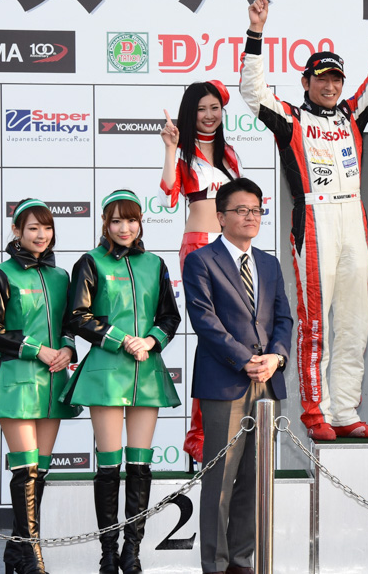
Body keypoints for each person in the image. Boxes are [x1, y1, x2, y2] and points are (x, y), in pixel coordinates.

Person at [240, 0, 368, 440]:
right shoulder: (290, 118)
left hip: (352, 222)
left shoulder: (350, 116)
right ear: (306, 82)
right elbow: (252, 91)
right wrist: (256, 32)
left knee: (356, 322)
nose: (330, 86)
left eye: (336, 79)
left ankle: (345, 410)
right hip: (314, 221)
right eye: (321, 79)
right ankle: (315, 410)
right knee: (316, 321)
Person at [62, 190, 182, 574]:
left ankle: (133, 550)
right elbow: (77, 315)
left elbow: (170, 317)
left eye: (131, 220)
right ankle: (108, 553)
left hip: (146, 373)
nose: (124, 228)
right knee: (109, 466)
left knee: (140, 465)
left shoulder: (155, 264)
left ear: (140, 222)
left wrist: (150, 340)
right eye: (116, 221)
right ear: (105, 224)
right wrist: (121, 338)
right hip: (106, 373)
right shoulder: (90, 262)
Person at [183, 178, 292, 574]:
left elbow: (284, 319)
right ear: (221, 216)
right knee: (220, 481)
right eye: (242, 210)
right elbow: (205, 320)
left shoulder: (269, 263)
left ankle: (242, 562)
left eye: (256, 210)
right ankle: (215, 565)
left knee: (255, 478)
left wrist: (276, 358)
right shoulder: (201, 261)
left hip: (267, 383)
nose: (251, 217)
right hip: (225, 382)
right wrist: (245, 359)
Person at [0, 199, 81, 574]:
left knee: (41, 472)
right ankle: (33, 557)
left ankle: (16, 551)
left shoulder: (61, 276)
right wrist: (39, 349)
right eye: (33, 228)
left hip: (53, 382)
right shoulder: (0, 274)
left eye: (47, 228)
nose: (41, 235)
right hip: (16, 382)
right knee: (26, 470)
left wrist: (67, 348)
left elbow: (70, 324)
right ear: (16, 231)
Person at [158, 78, 243, 463]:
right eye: (200, 110)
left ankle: (220, 430)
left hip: (231, 249)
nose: (209, 115)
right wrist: (170, 147)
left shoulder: (230, 154)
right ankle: (198, 437)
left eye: (214, 108)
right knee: (211, 338)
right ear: (189, 114)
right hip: (198, 248)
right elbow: (168, 192)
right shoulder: (182, 153)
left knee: (231, 337)